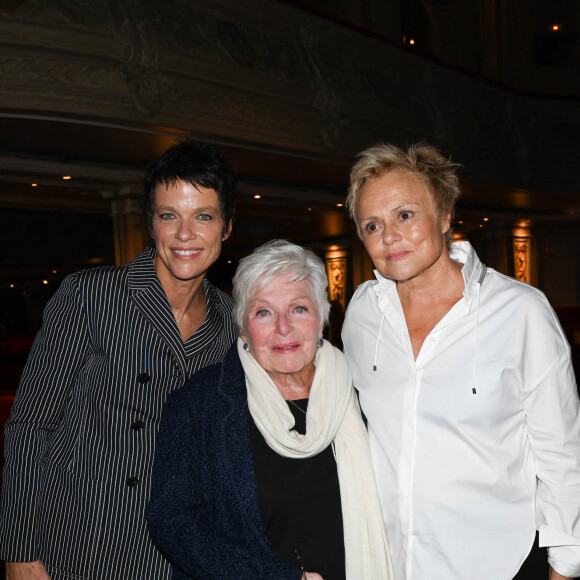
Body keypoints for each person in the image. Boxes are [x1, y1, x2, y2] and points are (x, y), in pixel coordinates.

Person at [0, 139, 238, 579]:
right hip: (77, 546)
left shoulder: (230, 324)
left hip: (174, 556)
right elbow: (30, 425)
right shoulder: (91, 296)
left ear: (225, 228)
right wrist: (19, 552)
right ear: (151, 224)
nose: (185, 234)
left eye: (202, 216)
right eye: (169, 216)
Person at [341, 142, 580, 579]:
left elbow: (564, 456)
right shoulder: (361, 314)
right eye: (372, 225)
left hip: (499, 565)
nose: (389, 236)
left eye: (405, 215)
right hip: (390, 564)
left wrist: (564, 568)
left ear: (446, 215)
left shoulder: (520, 311)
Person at [146, 240, 393, 580]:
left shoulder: (363, 392)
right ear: (244, 328)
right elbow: (173, 522)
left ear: (321, 319)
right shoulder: (199, 404)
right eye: (263, 312)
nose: (282, 327)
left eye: (299, 309)